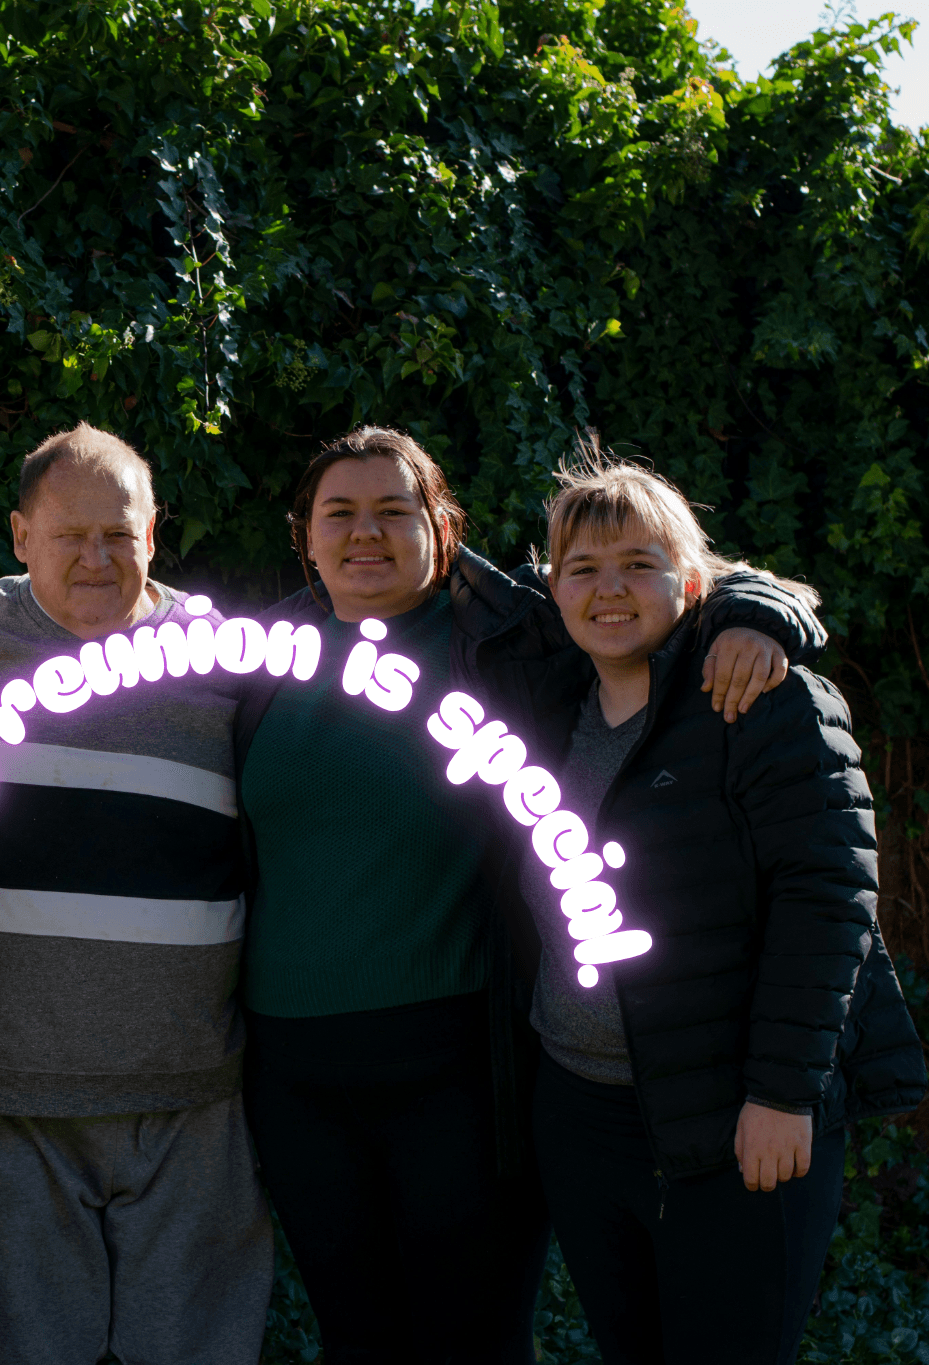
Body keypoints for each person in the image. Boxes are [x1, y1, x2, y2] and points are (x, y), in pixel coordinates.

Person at [231, 427, 826, 1363]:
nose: (366, 533)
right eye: (339, 513)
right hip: (295, 1077)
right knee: (357, 1335)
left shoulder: (514, 637)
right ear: (304, 535)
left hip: (460, 1063)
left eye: (395, 510)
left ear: (444, 528)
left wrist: (761, 618)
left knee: (472, 1335)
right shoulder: (261, 662)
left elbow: (674, 584)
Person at [469, 456, 925, 1364]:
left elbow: (829, 896)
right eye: (583, 568)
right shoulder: (554, 703)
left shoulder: (763, 700)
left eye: (639, 564)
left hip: (732, 1118)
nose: (609, 590)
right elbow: (467, 581)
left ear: (689, 580)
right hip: (581, 1115)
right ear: (554, 586)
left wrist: (781, 1093)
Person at [0, 424, 273, 1365]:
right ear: (20, 535)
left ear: (153, 530)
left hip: (190, 1090)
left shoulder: (222, 650)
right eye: (70, 537)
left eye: (120, 536)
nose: (98, 559)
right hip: (14, 1092)